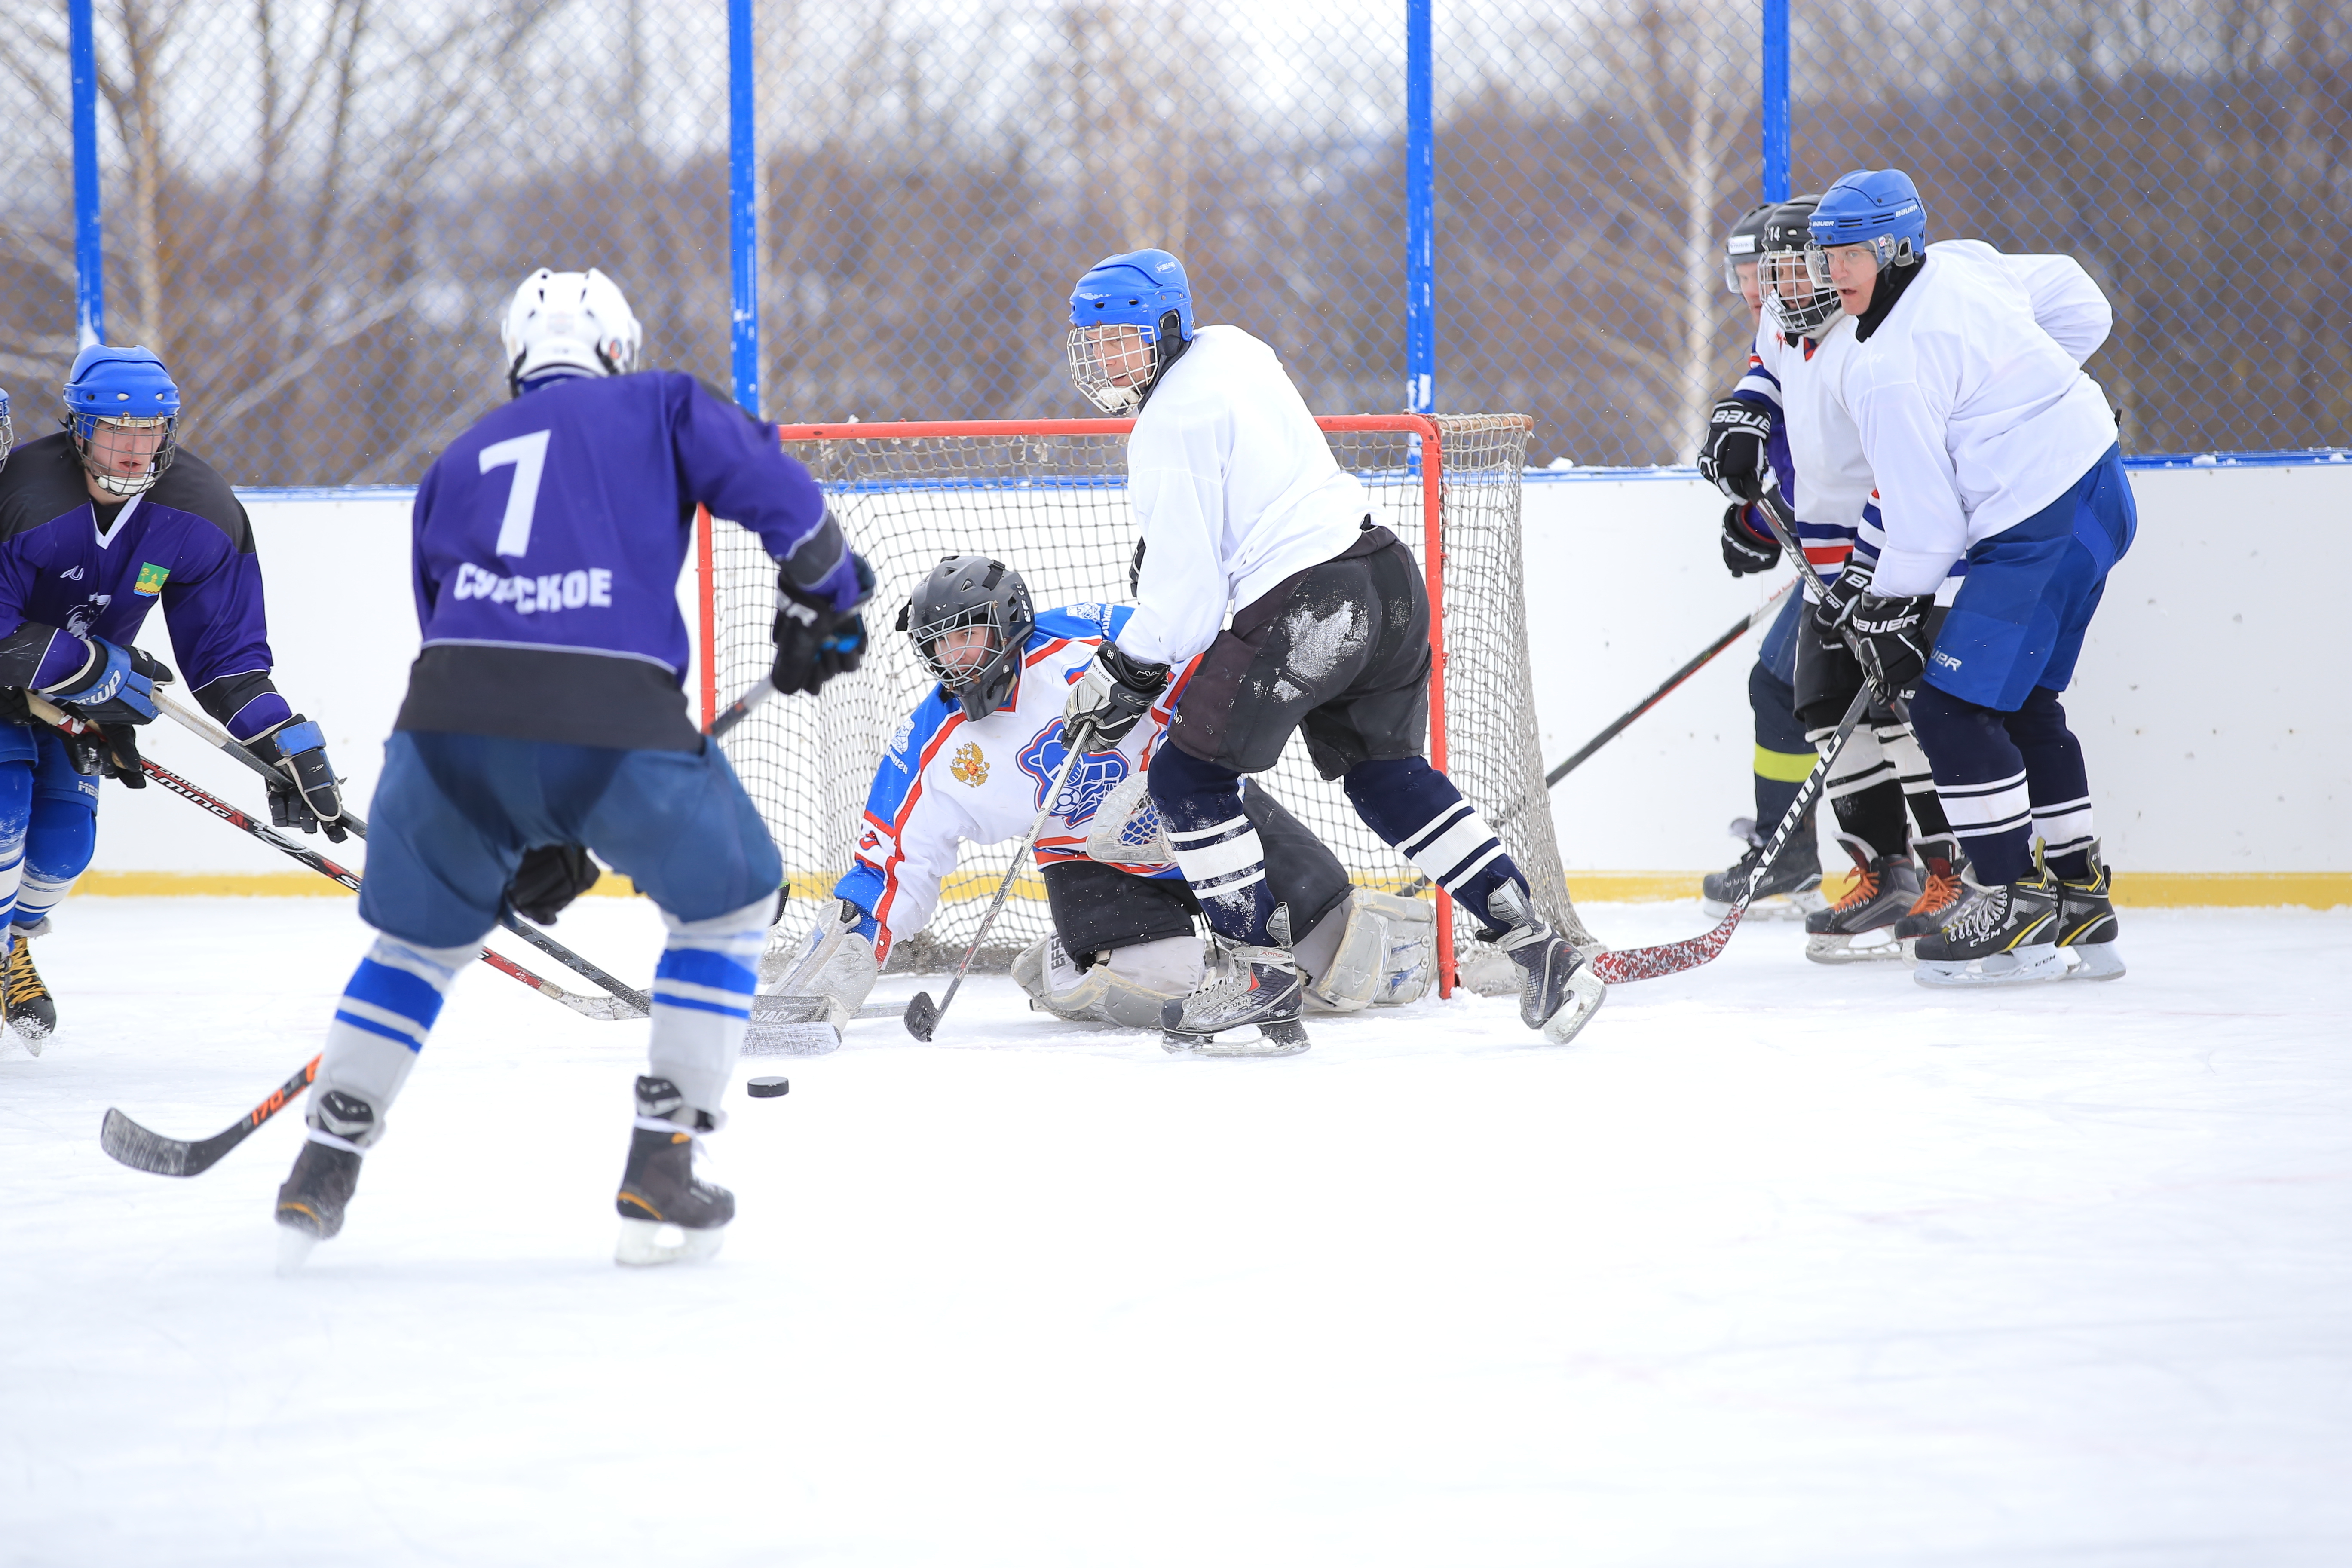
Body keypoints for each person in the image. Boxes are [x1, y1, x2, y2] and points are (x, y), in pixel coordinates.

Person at [272, 268, 873, 1268]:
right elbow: (772, 485)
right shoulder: (659, 400)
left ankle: (325, 1162)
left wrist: (529, 821)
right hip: (609, 713)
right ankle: (663, 1160)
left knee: (417, 951)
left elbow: (455, 637)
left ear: (517, 357)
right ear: (617, 349)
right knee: (730, 904)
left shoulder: (456, 459)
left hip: (442, 727)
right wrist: (829, 592)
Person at [1057, 248, 1602, 1056]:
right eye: (1096, 344)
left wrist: (1122, 672)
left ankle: (1255, 970)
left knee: (1186, 777)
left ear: (1168, 330)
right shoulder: (1235, 346)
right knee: (1384, 775)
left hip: (1312, 604)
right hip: (1384, 577)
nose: (1108, 359)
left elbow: (1186, 608)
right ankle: (1534, 945)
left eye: (1125, 340)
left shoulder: (1165, 426)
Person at [768, 554, 1435, 1036]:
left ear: (1008, 621)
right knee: (1161, 983)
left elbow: (1213, 680)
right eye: (939, 646)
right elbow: (896, 857)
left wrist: (1170, 767)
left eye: (968, 636)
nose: (955, 659)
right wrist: (858, 936)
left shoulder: (1096, 642)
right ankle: (1063, 967)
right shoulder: (934, 744)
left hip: (1203, 820)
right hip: (1090, 861)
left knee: (1344, 974)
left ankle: (1306, 933)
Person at [1804, 169, 2132, 985]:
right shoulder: (1965, 262)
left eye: (1848, 255)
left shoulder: (1887, 368)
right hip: (2100, 490)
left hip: (2037, 524)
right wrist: (2028, 396)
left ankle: (2013, 903)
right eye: (1826, 256)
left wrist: (1882, 607)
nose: (1832, 272)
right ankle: (2079, 894)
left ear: (1893, 248)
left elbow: (1928, 526)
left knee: (1949, 709)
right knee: (2023, 704)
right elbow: (2082, 301)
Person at [0, 347, 346, 1053]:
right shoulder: (21, 491)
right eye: (115, 431)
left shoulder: (202, 513)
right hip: (19, 686)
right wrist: (93, 665)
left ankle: (12, 946)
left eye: (149, 431)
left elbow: (226, 660)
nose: (132, 450)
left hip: (77, 701)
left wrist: (279, 736)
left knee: (65, 850)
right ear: (78, 429)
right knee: (2, 814)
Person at [1703, 198, 1969, 962]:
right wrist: (1738, 422)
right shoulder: (1784, 324)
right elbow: (1765, 381)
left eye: (1797, 270)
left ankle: (1949, 874)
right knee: (1818, 701)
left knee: (1904, 714)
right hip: (1827, 568)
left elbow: (1906, 472)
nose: (1782, 289)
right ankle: (1881, 872)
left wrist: (1872, 572)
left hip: (1894, 564)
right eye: (1773, 273)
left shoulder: (1873, 344)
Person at [1697, 201, 1826, 923]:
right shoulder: (1776, 335)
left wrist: (1763, 518)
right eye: (1745, 271)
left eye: (1767, 270)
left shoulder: (1811, 332)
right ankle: (1790, 852)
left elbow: (1831, 460)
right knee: (1780, 683)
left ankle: (1938, 864)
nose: (1754, 286)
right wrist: (1759, 518)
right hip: (1834, 548)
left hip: (1877, 552)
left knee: (1868, 707)